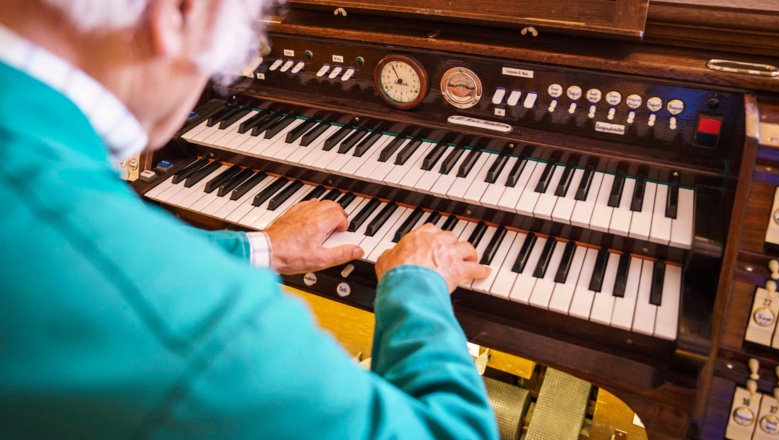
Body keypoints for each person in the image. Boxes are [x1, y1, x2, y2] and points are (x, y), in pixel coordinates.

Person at [0, 0, 499, 438]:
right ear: (179, 12)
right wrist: (417, 288)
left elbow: (92, 260)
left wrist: (260, 248)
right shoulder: (207, 331)